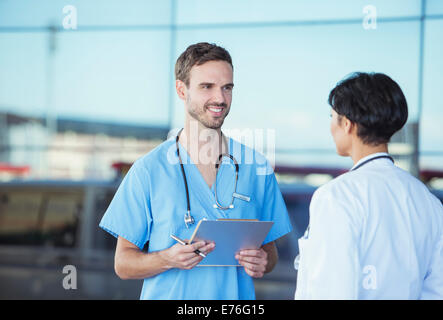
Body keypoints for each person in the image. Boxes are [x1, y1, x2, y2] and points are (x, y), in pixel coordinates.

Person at [99, 42, 292, 300]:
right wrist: (166, 259)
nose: (220, 98)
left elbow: (270, 254)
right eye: (207, 87)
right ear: (182, 89)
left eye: (227, 88)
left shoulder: (255, 168)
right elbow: (123, 264)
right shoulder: (148, 170)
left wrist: (262, 262)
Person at [294, 72, 443, 299]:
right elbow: (436, 290)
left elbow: (330, 291)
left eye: (332, 117)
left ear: (347, 124)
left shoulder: (336, 196)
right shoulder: (428, 201)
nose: (331, 127)